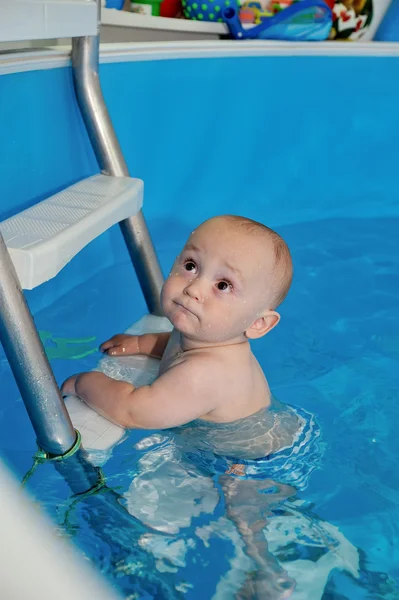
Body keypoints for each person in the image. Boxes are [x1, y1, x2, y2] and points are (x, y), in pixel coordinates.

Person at [62, 214, 299, 460]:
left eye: (223, 285)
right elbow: (178, 348)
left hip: (244, 462)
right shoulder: (206, 336)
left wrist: (85, 384)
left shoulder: (204, 374)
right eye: (190, 266)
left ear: (258, 324)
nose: (193, 288)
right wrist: (141, 343)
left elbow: (134, 410)